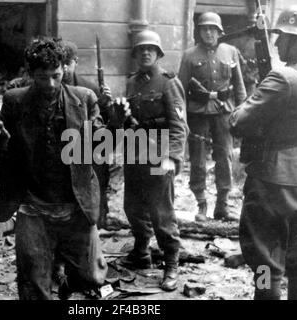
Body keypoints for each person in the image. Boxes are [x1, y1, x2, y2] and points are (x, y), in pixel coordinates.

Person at [0, 37, 107, 300]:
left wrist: (116, 123)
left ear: (64, 69)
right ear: (31, 74)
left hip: (76, 203)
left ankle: (67, 286)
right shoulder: (14, 101)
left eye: (56, 75)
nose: (51, 84)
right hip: (33, 206)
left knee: (90, 277)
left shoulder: (84, 99)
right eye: (43, 77)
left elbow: (101, 145)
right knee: (33, 280)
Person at [230, 5, 297, 300]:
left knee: (264, 264)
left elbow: (237, 122)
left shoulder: (282, 78)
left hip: (273, 180)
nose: (276, 43)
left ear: (296, 38)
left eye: (280, 37)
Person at [113, 29, 188, 291]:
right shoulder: (132, 82)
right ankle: (142, 252)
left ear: (157, 54)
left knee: (161, 214)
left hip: (160, 154)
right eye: (141, 49)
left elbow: (179, 126)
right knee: (133, 208)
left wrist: (173, 158)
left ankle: (171, 263)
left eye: (150, 49)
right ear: (135, 55)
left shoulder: (168, 82)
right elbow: (126, 120)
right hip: (135, 153)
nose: (145, 52)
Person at [178, 12, 247, 222]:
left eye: (212, 29)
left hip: (224, 112)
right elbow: (180, 88)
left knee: (224, 157)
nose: (208, 33)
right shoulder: (189, 55)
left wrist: (242, 112)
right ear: (199, 31)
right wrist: (180, 116)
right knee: (198, 160)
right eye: (204, 28)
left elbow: (240, 86)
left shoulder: (231, 52)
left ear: (219, 31)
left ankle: (222, 205)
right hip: (197, 113)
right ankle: (201, 203)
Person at [61, 40, 113, 229]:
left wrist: (107, 103)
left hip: (90, 152)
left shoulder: (90, 88)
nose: (65, 68)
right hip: (64, 152)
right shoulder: (50, 88)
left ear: (76, 61)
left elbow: (105, 126)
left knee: (94, 196)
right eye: (61, 62)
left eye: (69, 62)